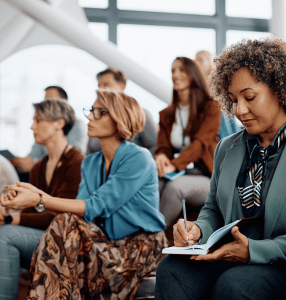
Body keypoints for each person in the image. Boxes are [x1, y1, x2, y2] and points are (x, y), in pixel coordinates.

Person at [155, 37, 286, 300]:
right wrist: (198, 230)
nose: (239, 110)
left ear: (281, 90)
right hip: (230, 255)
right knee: (173, 269)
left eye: (249, 97)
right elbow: (213, 209)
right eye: (233, 100)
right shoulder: (228, 147)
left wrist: (254, 251)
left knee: (237, 284)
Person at [1, 90, 167, 299]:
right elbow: (80, 210)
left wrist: (40, 198)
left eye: (100, 112)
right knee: (65, 222)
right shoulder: (91, 162)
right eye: (91, 111)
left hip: (139, 250)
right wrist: (34, 195)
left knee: (64, 224)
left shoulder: (139, 158)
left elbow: (96, 205)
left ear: (120, 118)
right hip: (105, 245)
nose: (89, 116)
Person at [0, 99, 84, 300]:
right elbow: (33, 212)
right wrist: (10, 211)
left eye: (38, 120)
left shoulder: (77, 163)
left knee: (5, 234)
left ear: (59, 123)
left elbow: (63, 217)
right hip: (42, 237)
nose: (32, 126)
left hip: (67, 242)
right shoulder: (39, 167)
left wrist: (14, 219)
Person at [155, 57, 221, 227]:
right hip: (183, 171)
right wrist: (161, 157)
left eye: (181, 70)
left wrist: (175, 165)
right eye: (173, 71)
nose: (175, 74)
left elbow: (199, 145)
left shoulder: (212, 107)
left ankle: (152, 237)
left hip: (208, 176)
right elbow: (163, 147)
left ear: (193, 74)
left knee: (175, 188)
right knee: (154, 182)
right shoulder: (166, 114)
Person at [10, 86, 87, 174]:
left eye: (50, 100)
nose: (45, 104)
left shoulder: (78, 125)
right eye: (45, 100)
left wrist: (35, 164)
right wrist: (20, 162)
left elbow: (73, 154)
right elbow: (33, 154)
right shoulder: (42, 135)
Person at [86, 67, 158, 155]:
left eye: (106, 85)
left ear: (122, 86)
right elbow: (89, 152)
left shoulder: (140, 114)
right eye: (99, 86)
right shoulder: (95, 118)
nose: (101, 89)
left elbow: (155, 146)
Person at [195, 50, 238, 139]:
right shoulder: (197, 84)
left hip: (221, 118)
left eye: (200, 60)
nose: (197, 63)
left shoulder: (218, 81)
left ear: (209, 61)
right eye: (196, 60)